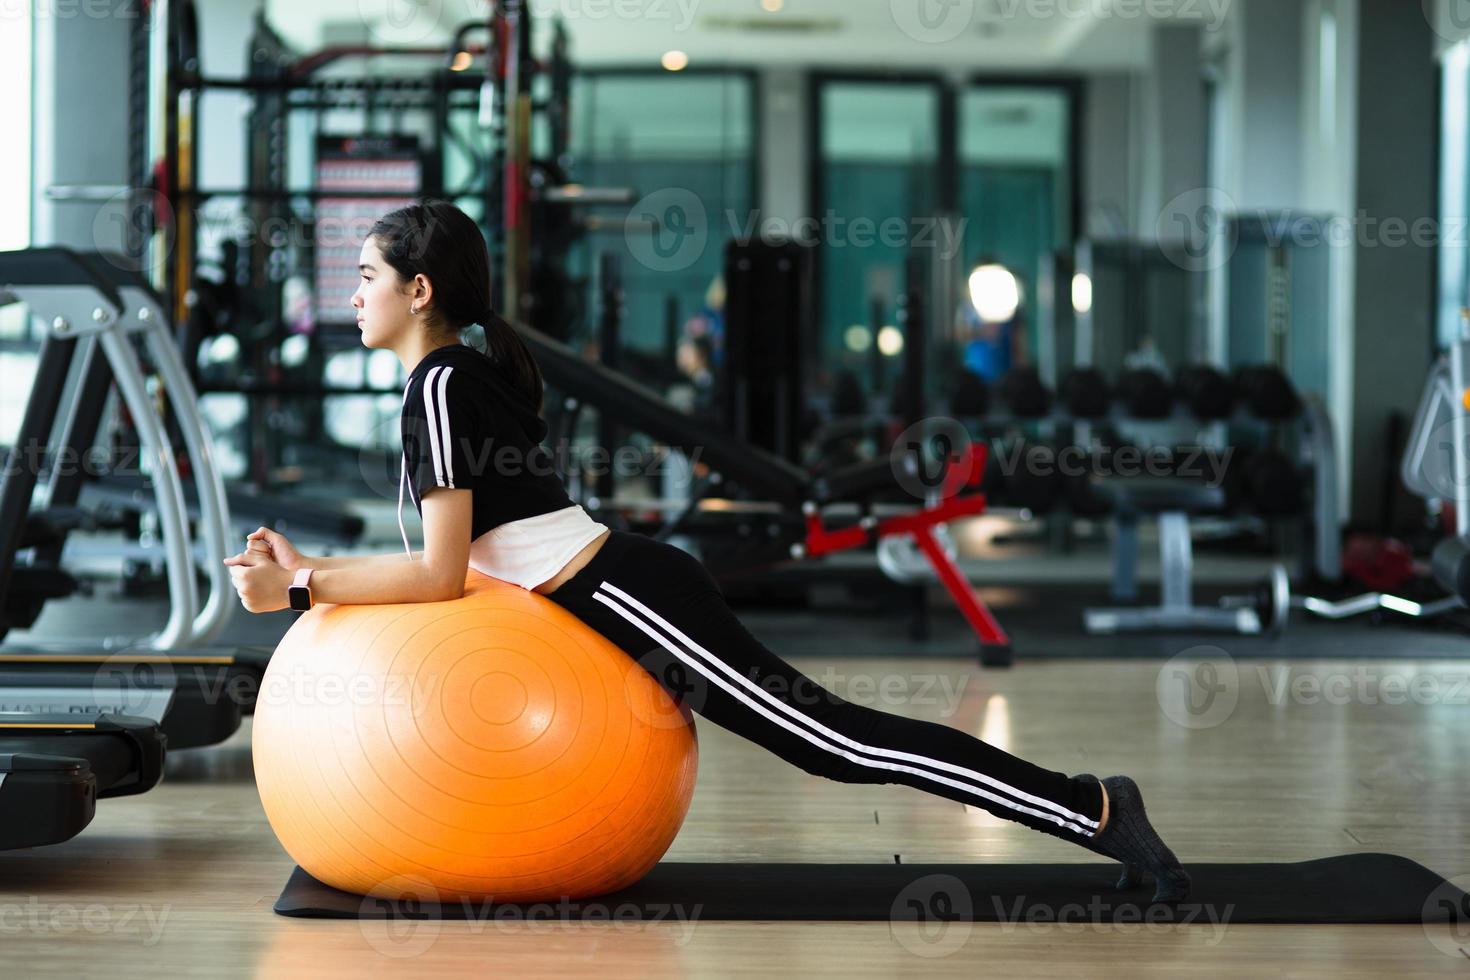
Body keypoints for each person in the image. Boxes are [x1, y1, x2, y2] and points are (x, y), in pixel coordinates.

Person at [223, 200, 1190, 902]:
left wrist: (303, 584)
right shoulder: (453, 375)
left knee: (835, 743)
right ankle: (1092, 807)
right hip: (611, 589)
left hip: (627, 599)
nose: (352, 295)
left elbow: (439, 577)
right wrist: (305, 565)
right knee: (836, 740)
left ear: (418, 289)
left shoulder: (440, 383)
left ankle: (1095, 808)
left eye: (365, 277)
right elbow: (468, 557)